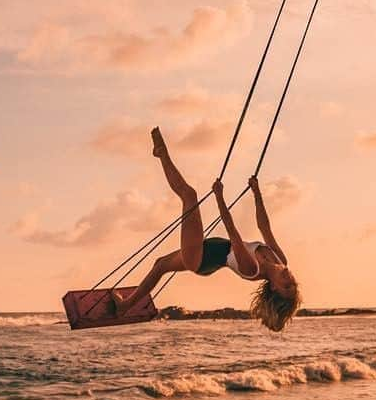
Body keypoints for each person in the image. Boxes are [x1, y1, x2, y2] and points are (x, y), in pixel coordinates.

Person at [114, 127, 301, 332]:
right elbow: (264, 227)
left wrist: (219, 197)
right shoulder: (280, 259)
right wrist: (257, 193)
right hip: (208, 252)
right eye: (293, 285)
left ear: (274, 287)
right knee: (160, 265)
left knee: (189, 195)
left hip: (200, 258)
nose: (290, 281)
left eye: (286, 287)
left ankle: (161, 154)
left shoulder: (253, 269)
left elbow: (233, 233)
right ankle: (125, 306)